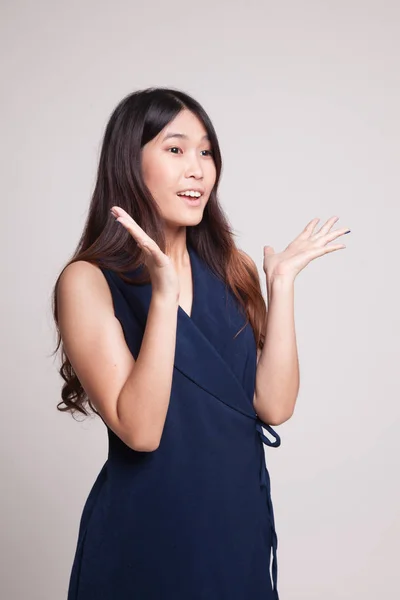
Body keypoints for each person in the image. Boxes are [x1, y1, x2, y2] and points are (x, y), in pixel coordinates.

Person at [52, 87, 350, 600]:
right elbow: (141, 431)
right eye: (175, 149)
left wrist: (281, 288)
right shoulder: (87, 280)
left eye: (206, 151)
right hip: (147, 534)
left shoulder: (231, 269)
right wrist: (164, 296)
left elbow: (274, 407)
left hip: (236, 532)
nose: (198, 168)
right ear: (130, 160)